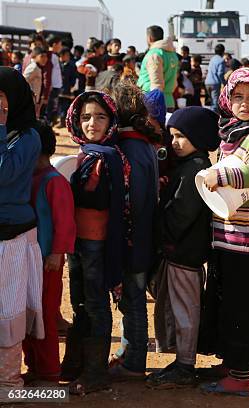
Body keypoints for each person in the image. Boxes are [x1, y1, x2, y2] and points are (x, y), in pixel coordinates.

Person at [199, 68, 249, 396]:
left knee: (240, 306)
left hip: (246, 240)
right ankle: (234, 362)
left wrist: (227, 177)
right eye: (237, 97)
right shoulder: (231, 132)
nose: (244, 104)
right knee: (226, 301)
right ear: (227, 99)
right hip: (227, 234)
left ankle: (242, 374)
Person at [146, 107, 220, 389]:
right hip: (181, 253)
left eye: (181, 137)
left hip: (183, 254)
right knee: (180, 308)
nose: (174, 142)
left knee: (185, 311)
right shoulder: (191, 166)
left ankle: (185, 365)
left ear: (199, 137)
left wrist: (162, 236)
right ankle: (181, 362)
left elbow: (181, 214)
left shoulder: (195, 171)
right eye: (172, 136)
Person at [61, 91, 129, 395]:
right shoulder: (84, 154)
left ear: (111, 120)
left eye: (100, 117)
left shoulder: (110, 157)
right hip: (77, 240)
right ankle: (75, 363)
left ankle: (96, 372)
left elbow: (104, 202)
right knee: (79, 301)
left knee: (96, 304)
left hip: (97, 243)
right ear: (76, 119)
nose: (92, 123)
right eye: (86, 116)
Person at [106, 81, 159, 382]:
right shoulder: (144, 143)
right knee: (132, 300)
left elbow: (133, 201)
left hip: (132, 240)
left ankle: (135, 361)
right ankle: (130, 352)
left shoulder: (129, 147)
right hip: (142, 237)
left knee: (133, 302)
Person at [22, 121, 76, 386]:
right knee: (30, 316)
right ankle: (34, 367)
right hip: (30, 260)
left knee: (44, 316)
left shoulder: (54, 181)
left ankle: (49, 373)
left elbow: (65, 223)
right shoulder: (30, 178)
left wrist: (56, 254)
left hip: (48, 263)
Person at [0, 67, 44, 390]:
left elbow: (3, 174)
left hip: (12, 239)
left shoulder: (28, 137)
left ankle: (8, 382)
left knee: (8, 312)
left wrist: (0, 127)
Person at [137, 25, 179, 110]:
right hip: (169, 100)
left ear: (150, 38)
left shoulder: (154, 54)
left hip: (154, 103)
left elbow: (156, 82)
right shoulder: (172, 54)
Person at [23, 47, 48, 118]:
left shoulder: (38, 67)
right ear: (34, 57)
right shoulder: (33, 67)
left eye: (46, 56)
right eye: (42, 56)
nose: (45, 59)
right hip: (29, 100)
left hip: (34, 100)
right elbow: (23, 80)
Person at [46, 35, 63, 123]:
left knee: (53, 108)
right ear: (54, 44)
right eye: (60, 44)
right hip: (52, 86)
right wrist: (50, 85)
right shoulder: (50, 56)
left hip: (56, 86)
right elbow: (48, 72)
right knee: (50, 108)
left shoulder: (54, 56)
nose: (61, 46)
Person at [59, 48, 77, 128]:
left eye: (68, 55)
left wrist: (71, 87)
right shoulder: (58, 65)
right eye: (66, 55)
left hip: (67, 89)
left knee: (65, 106)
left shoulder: (72, 65)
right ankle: (60, 121)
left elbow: (73, 78)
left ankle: (65, 123)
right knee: (59, 106)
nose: (68, 57)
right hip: (59, 88)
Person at [205, 44, 226, 113]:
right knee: (214, 103)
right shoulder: (221, 60)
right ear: (223, 52)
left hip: (207, 82)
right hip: (215, 83)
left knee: (210, 102)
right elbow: (220, 73)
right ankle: (212, 120)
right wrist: (224, 83)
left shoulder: (212, 59)